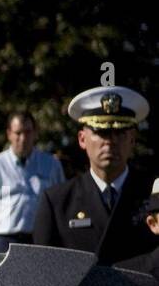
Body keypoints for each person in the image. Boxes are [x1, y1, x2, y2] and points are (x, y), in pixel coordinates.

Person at [33, 85, 156, 265]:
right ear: (82, 139)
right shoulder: (57, 201)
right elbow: (42, 269)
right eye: (101, 132)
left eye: (120, 132)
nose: (110, 141)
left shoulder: (152, 194)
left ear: (132, 139)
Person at [0, 112, 65, 253]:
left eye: (28, 132)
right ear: (9, 134)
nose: (23, 138)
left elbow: (62, 203)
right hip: (3, 241)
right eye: (18, 133)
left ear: (35, 133)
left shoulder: (51, 165)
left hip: (41, 241)